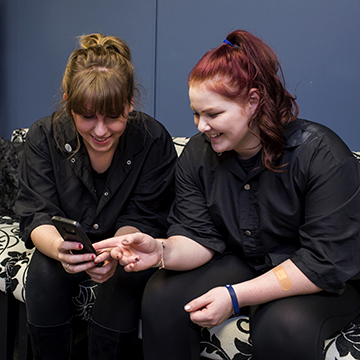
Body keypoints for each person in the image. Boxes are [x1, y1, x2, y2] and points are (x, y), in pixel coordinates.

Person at [93, 30, 360, 360]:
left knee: (283, 324)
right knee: (162, 296)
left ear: (252, 101)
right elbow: (197, 236)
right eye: (196, 113)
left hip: (316, 278)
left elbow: (323, 262)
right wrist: (159, 251)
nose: (201, 126)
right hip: (243, 260)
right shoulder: (197, 154)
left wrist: (234, 296)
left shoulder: (321, 155)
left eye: (213, 114)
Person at [16, 33, 176, 359]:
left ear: (130, 104)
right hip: (61, 248)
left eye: (113, 116)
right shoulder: (42, 137)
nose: (100, 131)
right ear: (68, 102)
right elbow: (37, 214)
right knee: (44, 273)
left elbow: (144, 216)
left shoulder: (153, 140)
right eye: (87, 116)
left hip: (124, 246)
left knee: (125, 280)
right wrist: (60, 249)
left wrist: (118, 250)